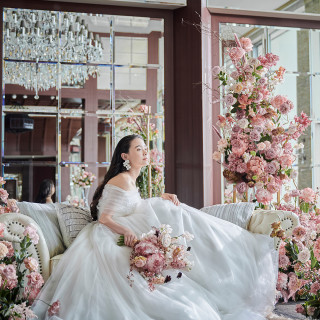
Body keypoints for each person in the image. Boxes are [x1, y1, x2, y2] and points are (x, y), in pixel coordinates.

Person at [32, 134, 278, 320]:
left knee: (172, 210)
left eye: (146, 148)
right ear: (125, 156)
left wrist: (160, 196)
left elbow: (131, 205)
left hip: (122, 227)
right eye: (138, 149)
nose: (145, 152)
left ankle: (224, 252)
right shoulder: (121, 179)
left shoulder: (130, 179)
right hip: (109, 234)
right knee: (173, 215)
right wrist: (127, 231)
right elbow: (105, 217)